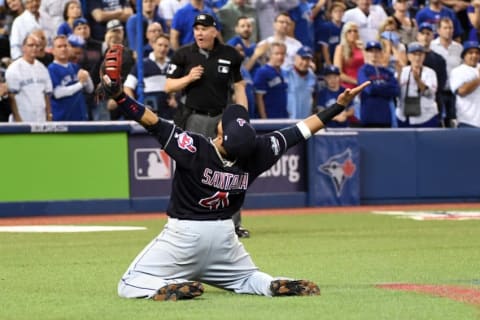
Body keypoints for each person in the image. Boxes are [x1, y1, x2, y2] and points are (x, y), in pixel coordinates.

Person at [98, 44, 370, 301]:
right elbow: (301, 131)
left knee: (129, 282)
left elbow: (151, 121)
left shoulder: (195, 148)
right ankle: (270, 284)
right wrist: (338, 107)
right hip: (225, 238)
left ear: (219, 132)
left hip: (184, 237)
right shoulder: (257, 152)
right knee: (248, 279)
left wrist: (120, 97)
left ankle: (164, 285)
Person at [165, 13, 249, 237]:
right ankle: (189, 220)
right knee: (192, 167)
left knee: (230, 168)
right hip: (195, 117)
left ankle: (233, 224)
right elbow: (168, 86)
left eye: (204, 28)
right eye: (197, 29)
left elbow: (239, 86)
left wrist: (243, 116)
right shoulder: (184, 54)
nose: (199, 33)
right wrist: (188, 78)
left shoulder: (230, 54)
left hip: (222, 117)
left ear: (215, 31)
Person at [124, 33, 177, 120]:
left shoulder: (172, 65)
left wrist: (173, 98)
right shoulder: (141, 64)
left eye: (166, 46)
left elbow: (173, 87)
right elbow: (127, 87)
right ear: (153, 45)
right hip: (147, 113)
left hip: (168, 114)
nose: (163, 49)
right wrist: (135, 108)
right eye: (160, 45)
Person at [6, 33, 53, 122]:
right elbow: (12, 98)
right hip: (23, 119)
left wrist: (49, 116)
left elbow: (46, 96)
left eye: (37, 46)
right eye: (31, 45)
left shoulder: (42, 68)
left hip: (41, 119)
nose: (34, 48)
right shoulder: (14, 68)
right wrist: (18, 120)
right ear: (23, 47)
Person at [48, 35, 93, 121]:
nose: (63, 49)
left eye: (65, 46)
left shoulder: (75, 67)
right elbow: (57, 93)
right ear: (53, 50)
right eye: (59, 46)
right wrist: (81, 84)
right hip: (62, 119)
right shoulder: (51, 68)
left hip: (81, 117)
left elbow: (90, 89)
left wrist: (87, 77)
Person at [395, 42, 439, 127]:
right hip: (404, 117)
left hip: (426, 117)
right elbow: (395, 92)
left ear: (424, 56)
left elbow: (430, 94)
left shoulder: (430, 73)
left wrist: (418, 80)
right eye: (414, 54)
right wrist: (398, 76)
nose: (417, 57)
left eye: (420, 54)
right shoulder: (402, 71)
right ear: (408, 56)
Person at [357, 40, 400, 127]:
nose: (374, 54)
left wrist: (376, 86)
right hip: (368, 117)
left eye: (377, 51)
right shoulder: (363, 70)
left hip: (385, 117)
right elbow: (369, 89)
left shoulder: (387, 72)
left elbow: (396, 90)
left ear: (381, 53)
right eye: (371, 51)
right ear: (366, 53)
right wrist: (386, 87)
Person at [430, 17, 462, 128]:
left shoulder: (459, 48)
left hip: (454, 92)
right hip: (438, 91)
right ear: (438, 30)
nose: (448, 30)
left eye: (450, 28)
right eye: (445, 28)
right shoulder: (432, 46)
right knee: (439, 123)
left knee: (454, 121)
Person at [253, 41, 288, 119]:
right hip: (269, 118)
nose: (280, 57)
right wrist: (264, 120)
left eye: (282, 54)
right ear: (270, 55)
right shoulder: (262, 72)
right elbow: (259, 98)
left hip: (283, 117)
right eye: (277, 54)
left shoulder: (284, 72)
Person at [449, 41, 480, 128]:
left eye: (477, 53)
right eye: (470, 53)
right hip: (467, 121)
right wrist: (478, 79)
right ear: (464, 56)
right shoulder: (458, 71)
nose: (474, 55)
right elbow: (462, 91)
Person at [285, 46, 316, 119]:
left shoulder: (312, 76)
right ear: (296, 57)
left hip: (305, 121)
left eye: (308, 60)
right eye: (302, 58)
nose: (305, 63)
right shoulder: (286, 73)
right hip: (287, 120)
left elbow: (314, 98)